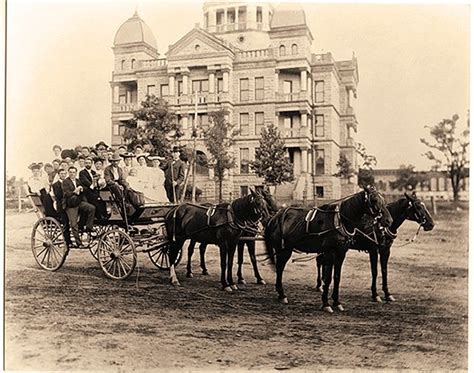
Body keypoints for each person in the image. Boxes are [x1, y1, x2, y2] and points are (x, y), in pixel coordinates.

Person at [62, 166, 96, 247]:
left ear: (76, 173)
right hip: (70, 204)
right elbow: (66, 194)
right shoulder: (65, 182)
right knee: (74, 224)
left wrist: (81, 188)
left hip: (78, 202)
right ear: (68, 173)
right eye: (70, 172)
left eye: (74, 172)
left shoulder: (78, 181)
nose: (72, 174)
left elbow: (84, 189)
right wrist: (74, 191)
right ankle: (79, 243)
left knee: (92, 208)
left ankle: (89, 227)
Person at [52, 168, 73, 247]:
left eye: (64, 174)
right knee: (65, 223)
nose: (63, 175)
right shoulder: (55, 185)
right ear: (59, 175)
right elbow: (59, 196)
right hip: (61, 206)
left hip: (69, 204)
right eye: (61, 174)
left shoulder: (69, 182)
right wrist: (69, 193)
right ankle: (68, 242)